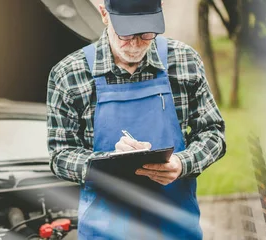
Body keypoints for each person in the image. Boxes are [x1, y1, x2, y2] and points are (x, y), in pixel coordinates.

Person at [46, 0, 226, 239]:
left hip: (175, 227)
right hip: (106, 230)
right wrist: (108, 164)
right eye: (126, 33)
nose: (135, 44)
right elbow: (60, 155)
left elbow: (213, 133)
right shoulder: (69, 74)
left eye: (146, 33)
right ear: (104, 15)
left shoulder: (184, 61)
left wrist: (183, 163)